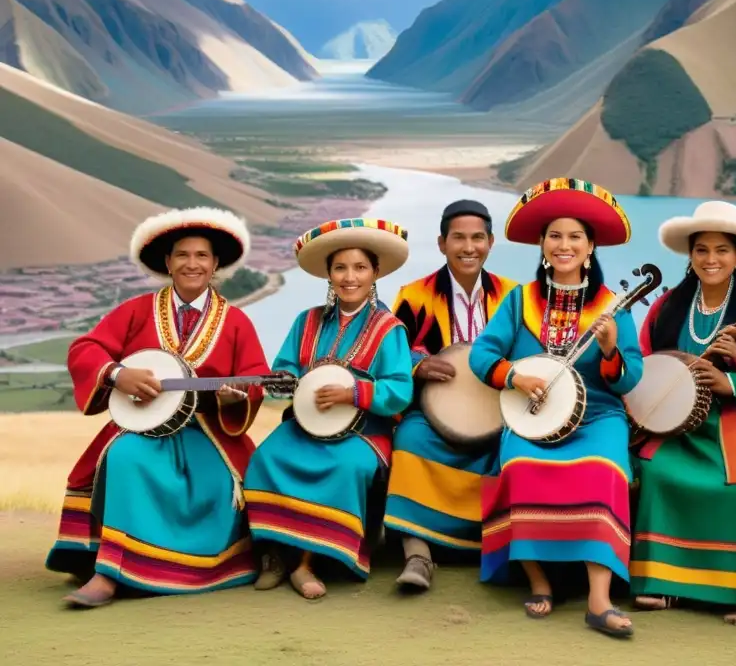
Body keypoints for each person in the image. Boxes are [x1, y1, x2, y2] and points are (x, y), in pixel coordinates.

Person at [46, 207, 271, 608]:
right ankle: (109, 574)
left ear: (216, 263)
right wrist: (117, 374)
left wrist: (237, 396)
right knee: (126, 458)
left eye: (202, 255)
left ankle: (196, 565)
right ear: (167, 262)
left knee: (222, 484)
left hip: (207, 430)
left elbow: (256, 376)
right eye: (182, 255)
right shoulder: (134, 311)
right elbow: (86, 348)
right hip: (143, 426)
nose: (192, 263)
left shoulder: (236, 321)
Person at [468, 178, 644, 638]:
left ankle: (598, 599)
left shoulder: (612, 307)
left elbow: (632, 376)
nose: (564, 245)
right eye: (555, 236)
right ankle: (539, 580)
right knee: (521, 466)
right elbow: (481, 355)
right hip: (531, 417)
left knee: (605, 469)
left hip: (598, 416)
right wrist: (515, 376)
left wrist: (610, 351)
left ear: (591, 248)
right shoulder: (518, 300)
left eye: (575, 237)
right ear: (543, 246)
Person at [629, 201, 736, 622]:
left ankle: (729, 592)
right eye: (701, 249)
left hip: (730, 425)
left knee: (734, 489)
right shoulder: (666, 307)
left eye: (722, 250)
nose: (711, 259)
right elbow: (642, 361)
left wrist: (733, 380)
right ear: (690, 255)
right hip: (671, 426)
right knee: (656, 473)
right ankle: (660, 584)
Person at [244, 217, 414, 600]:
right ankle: (272, 553)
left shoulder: (390, 328)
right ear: (328, 274)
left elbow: (400, 390)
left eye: (359, 267)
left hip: (364, 431)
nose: (349, 277)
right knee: (265, 457)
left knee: (345, 467)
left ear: (375, 273)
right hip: (304, 426)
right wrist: (282, 378)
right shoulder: (307, 321)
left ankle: (307, 564)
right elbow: (286, 365)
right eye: (340, 267)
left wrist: (352, 392)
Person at [383, 200, 519, 590]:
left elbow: (528, 350)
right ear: (442, 243)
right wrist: (417, 367)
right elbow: (394, 352)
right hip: (433, 411)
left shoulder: (513, 295)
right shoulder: (414, 295)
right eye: (458, 238)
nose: (468, 247)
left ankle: (495, 546)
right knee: (409, 437)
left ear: (491, 243)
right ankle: (418, 554)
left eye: (478, 238)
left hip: (500, 410)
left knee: (515, 447)